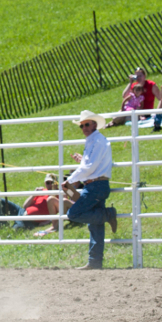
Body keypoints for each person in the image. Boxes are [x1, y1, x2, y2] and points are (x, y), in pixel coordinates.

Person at [62, 111, 118, 270]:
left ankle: (108, 214)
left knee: (73, 213)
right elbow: (91, 164)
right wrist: (82, 162)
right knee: (95, 226)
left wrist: (70, 180)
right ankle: (95, 262)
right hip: (96, 185)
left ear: (94, 124)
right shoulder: (96, 140)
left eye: (87, 124)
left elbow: (89, 167)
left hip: (94, 186)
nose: (84, 127)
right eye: (82, 125)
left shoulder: (97, 141)